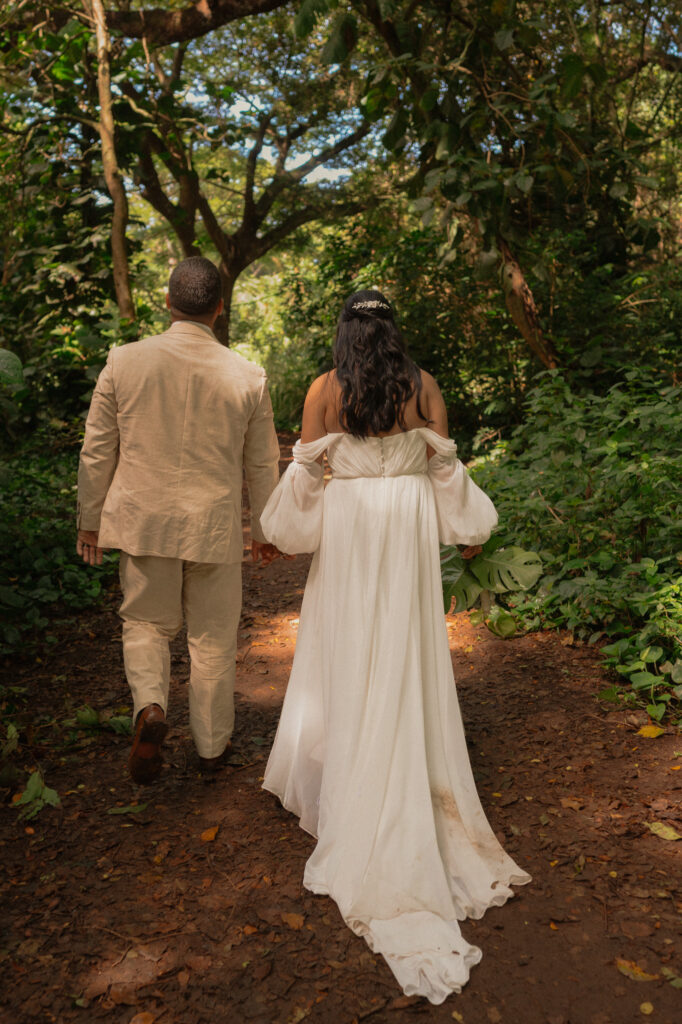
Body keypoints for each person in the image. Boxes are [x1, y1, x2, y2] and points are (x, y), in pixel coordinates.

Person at [259, 289, 531, 1003]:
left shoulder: (325, 389)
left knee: (349, 649)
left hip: (352, 529)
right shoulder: (425, 386)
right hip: (405, 528)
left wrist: (294, 520)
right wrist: (469, 526)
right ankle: (405, 766)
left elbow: (305, 477)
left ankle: (356, 773)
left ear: (346, 328)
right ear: (392, 328)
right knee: (404, 651)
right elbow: (445, 474)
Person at [76, 256, 281, 783]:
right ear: (218, 308)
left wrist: (90, 519)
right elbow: (261, 463)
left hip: (145, 522)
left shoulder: (124, 362)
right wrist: (265, 530)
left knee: (145, 623)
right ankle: (211, 748)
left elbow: (97, 450)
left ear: (168, 303)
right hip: (212, 525)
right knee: (212, 638)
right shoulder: (248, 376)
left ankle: (151, 708)